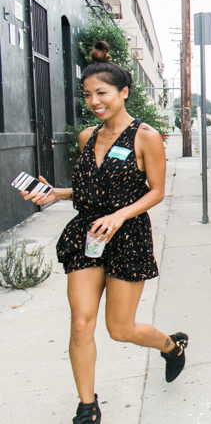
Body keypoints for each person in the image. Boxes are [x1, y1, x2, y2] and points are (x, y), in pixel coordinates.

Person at [20, 40, 187, 424]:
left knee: (120, 329)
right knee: (81, 322)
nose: (94, 101)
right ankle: (87, 407)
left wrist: (120, 215)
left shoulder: (145, 136)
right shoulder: (86, 138)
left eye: (102, 93)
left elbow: (157, 192)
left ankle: (171, 347)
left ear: (123, 92)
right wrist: (54, 193)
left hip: (127, 237)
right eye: (88, 94)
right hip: (87, 234)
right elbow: (88, 191)